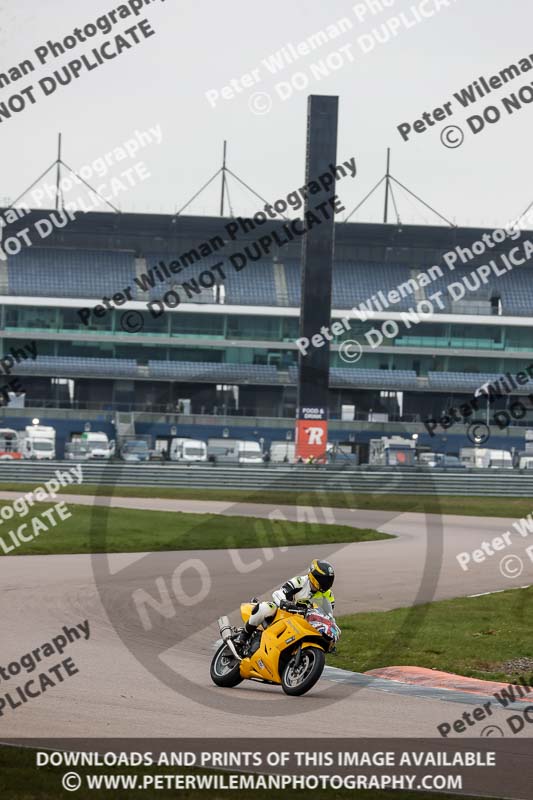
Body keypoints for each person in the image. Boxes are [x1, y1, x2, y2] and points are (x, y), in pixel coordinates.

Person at [235, 559, 335, 646]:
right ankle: (243, 636)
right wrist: (285, 603)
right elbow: (279, 593)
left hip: (304, 623)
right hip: (284, 614)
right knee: (265, 608)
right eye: (324, 580)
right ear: (315, 576)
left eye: (328, 580)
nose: (326, 584)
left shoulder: (328, 595)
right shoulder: (300, 582)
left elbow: (328, 616)